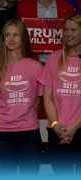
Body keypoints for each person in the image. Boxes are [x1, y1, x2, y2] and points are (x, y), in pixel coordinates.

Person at [0, 19, 43, 174]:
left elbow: (37, 101)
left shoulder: (36, 67)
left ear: (23, 38)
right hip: (3, 133)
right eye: (7, 35)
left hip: (29, 131)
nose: (11, 39)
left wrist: (23, 117)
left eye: (16, 35)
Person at [38, 13, 81, 174]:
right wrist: (55, 125)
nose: (68, 34)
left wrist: (74, 127)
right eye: (65, 30)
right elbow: (47, 97)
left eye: (73, 30)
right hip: (57, 130)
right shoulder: (53, 58)